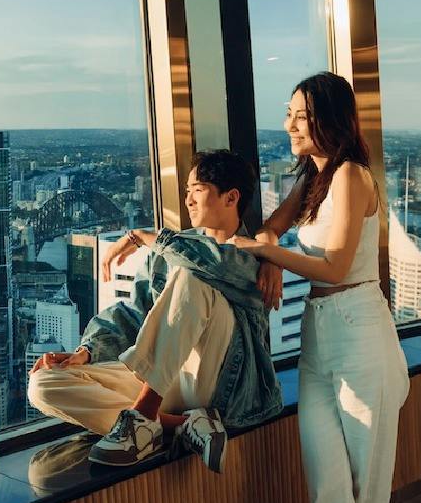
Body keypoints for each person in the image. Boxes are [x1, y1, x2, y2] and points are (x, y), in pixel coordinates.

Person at [231, 72, 410, 503]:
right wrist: (272, 255)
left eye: (299, 116)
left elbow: (334, 267)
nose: (288, 125)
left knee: (363, 482)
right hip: (318, 332)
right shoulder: (311, 178)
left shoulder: (353, 177)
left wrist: (266, 254)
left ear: (328, 120)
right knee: (325, 481)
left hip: (360, 328)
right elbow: (273, 228)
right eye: (288, 113)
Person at [28, 150, 282, 469]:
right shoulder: (168, 250)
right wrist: (87, 352)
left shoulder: (254, 257)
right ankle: (180, 425)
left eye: (198, 190)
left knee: (191, 276)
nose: (188, 200)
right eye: (187, 191)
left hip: (219, 388)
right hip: (163, 381)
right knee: (44, 384)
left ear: (231, 197)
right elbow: (134, 314)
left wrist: (146, 238)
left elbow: (212, 261)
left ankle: (144, 414)